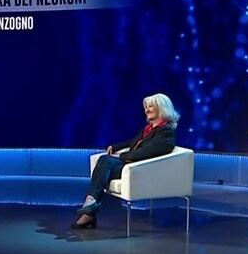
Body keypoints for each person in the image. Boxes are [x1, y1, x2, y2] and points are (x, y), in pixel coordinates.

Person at [73, 93, 180, 229]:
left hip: (142, 169)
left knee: (106, 163)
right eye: (146, 107)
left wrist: (122, 156)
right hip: (131, 164)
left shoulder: (166, 132)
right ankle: (89, 208)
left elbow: (148, 152)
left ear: (161, 108)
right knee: (104, 161)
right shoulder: (148, 129)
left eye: (150, 107)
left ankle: (89, 209)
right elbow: (132, 142)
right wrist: (116, 147)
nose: (146, 110)